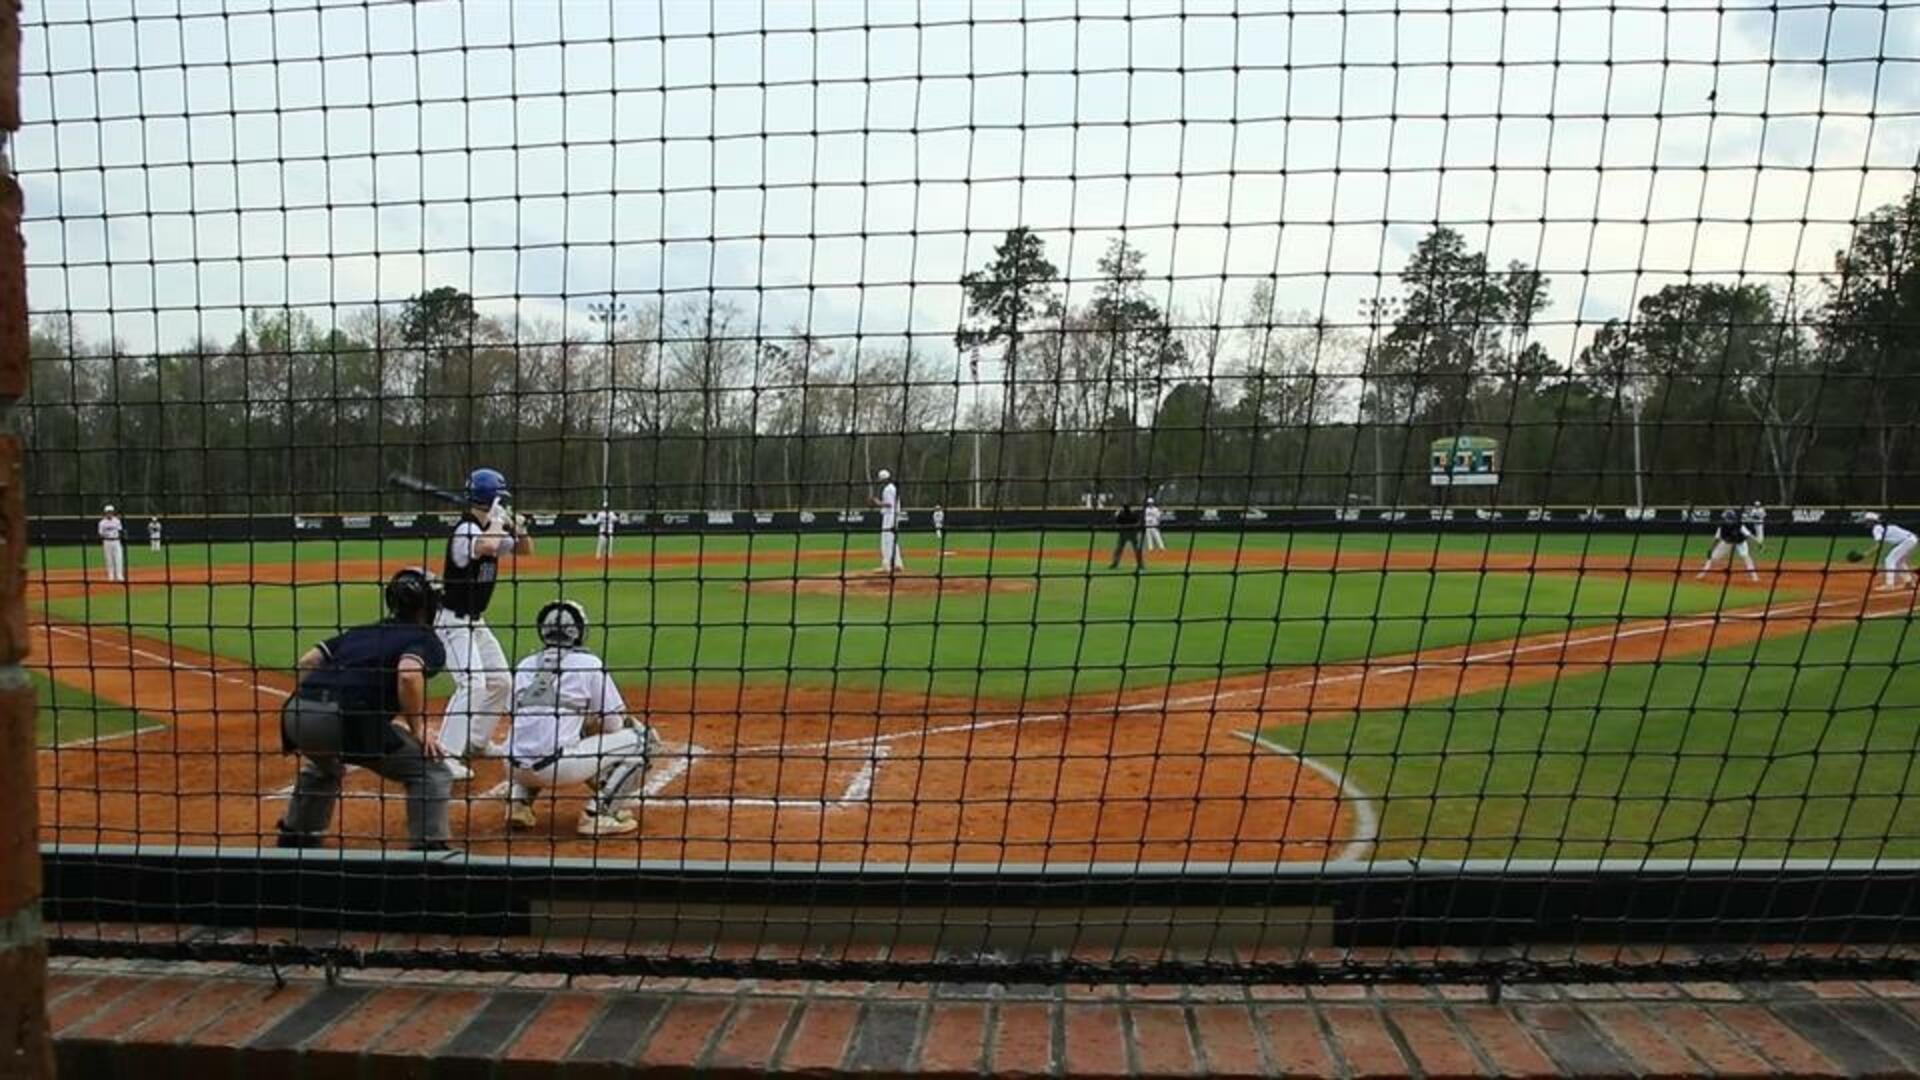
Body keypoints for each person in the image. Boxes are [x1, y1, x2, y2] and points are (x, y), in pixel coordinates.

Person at [276, 568, 453, 852]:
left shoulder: (363, 631)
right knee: (431, 771)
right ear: (429, 606)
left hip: (295, 714)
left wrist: (316, 703)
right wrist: (418, 730)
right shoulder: (426, 639)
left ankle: (295, 840)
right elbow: (408, 674)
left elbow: (307, 662)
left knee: (324, 765)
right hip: (346, 718)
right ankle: (430, 852)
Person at [502, 600, 655, 837]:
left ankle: (518, 803)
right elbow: (614, 725)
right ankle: (599, 815)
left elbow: (514, 714)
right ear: (578, 632)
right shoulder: (589, 664)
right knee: (645, 740)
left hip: (512, 766)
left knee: (538, 733)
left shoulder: (524, 665)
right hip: (557, 767)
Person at [434, 467, 532, 782]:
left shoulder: (490, 527)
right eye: (500, 498)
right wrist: (499, 522)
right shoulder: (466, 531)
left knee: (501, 682)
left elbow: (525, 551)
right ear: (491, 498)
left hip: (477, 622)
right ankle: (444, 756)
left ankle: (476, 741)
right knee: (473, 684)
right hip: (452, 623)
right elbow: (488, 547)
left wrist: (519, 528)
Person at [1696, 509, 1760, 583]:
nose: (1726, 520)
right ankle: (1703, 573)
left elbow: (1749, 535)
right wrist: (1711, 549)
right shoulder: (1722, 526)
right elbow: (1716, 539)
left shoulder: (1739, 525)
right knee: (1713, 557)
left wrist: (1758, 543)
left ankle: (1754, 576)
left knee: (1745, 556)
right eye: (1726, 519)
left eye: (1728, 518)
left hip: (1740, 542)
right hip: (1727, 543)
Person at [1863, 512, 1918, 591]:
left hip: (1907, 541)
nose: (1865, 522)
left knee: (1889, 560)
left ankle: (1889, 585)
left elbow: (1879, 546)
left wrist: (1866, 554)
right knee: (1899, 562)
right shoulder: (1884, 526)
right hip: (1912, 539)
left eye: (1867, 521)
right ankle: (1908, 582)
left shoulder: (1876, 528)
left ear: (1872, 521)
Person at [868, 468, 905, 573]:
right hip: (895, 516)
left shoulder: (888, 489)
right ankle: (898, 564)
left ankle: (886, 565)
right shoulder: (893, 488)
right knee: (893, 540)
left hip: (889, 516)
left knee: (886, 540)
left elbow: (889, 504)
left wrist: (877, 502)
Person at [1108, 503, 1144, 570]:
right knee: (1137, 549)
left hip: (1123, 533)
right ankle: (1140, 564)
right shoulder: (1133, 514)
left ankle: (1115, 564)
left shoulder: (1121, 515)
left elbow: (1115, 522)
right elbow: (1138, 522)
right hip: (1133, 533)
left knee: (1118, 550)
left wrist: (1116, 515)